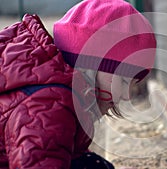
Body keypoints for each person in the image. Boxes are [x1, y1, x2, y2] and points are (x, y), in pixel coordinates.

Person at [0, 0, 156, 168]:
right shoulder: (50, 104)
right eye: (124, 81)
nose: (126, 96)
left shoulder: (57, 90)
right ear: (91, 66)